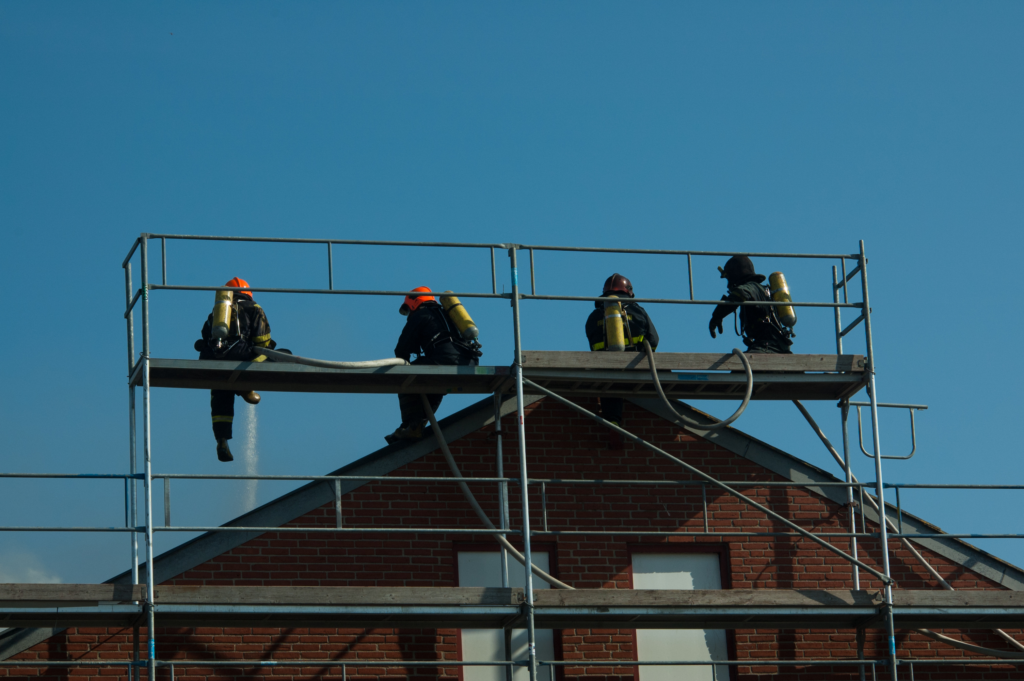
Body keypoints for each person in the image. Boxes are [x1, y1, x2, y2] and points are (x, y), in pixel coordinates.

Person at [194, 277, 275, 462]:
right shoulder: (254, 309)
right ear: (248, 294)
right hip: (240, 358)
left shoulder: (216, 312)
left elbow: (205, 336)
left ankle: (221, 439)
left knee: (220, 393)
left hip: (213, 361)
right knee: (271, 355)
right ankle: (246, 387)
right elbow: (262, 340)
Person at [386, 287, 481, 444]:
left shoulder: (421, 315)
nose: (409, 314)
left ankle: (412, 425)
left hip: (445, 360)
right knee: (434, 385)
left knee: (405, 379)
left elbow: (402, 349)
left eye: (408, 310)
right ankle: (418, 423)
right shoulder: (448, 314)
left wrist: (403, 365)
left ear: (413, 303)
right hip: (469, 361)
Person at [584, 273, 659, 427]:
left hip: (605, 367)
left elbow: (592, 343)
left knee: (609, 384)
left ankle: (613, 421)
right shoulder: (638, 311)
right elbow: (653, 339)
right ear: (628, 291)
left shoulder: (593, 316)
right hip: (637, 364)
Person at [708, 255, 793, 354]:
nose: (728, 285)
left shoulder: (751, 287)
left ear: (735, 275)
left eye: (729, 278)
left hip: (768, 347)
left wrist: (717, 316)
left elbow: (740, 294)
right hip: (772, 347)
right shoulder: (762, 290)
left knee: (739, 368)